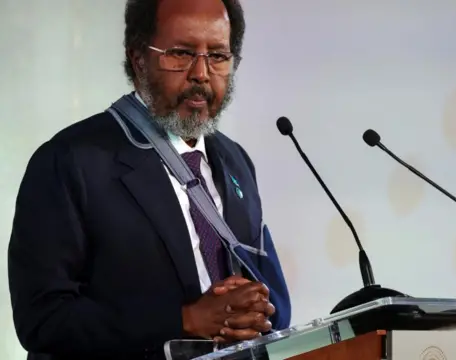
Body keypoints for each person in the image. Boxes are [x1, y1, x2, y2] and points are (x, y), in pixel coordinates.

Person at [7, 0, 291, 358]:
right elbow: (42, 319)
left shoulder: (235, 161)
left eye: (218, 55)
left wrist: (261, 313)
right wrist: (184, 319)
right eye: (181, 53)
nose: (201, 73)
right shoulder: (70, 161)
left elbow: (271, 289)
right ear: (139, 58)